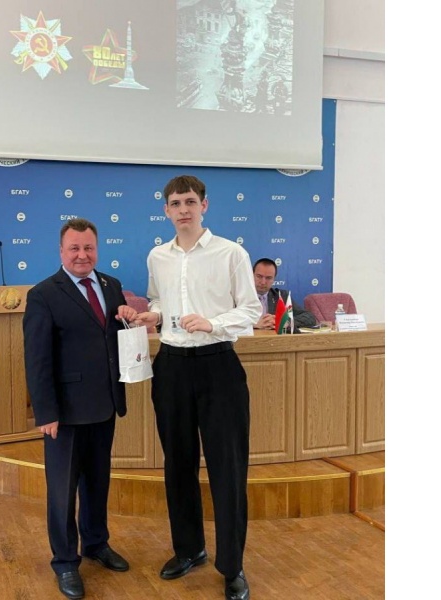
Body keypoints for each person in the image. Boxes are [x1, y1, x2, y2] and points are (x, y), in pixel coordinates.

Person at [131, 175, 260, 600]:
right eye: (175, 203)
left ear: (204, 205)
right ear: (165, 210)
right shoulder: (157, 256)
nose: (183, 209)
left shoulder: (231, 253)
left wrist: (213, 323)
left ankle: (232, 566)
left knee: (228, 468)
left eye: (189, 201)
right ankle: (189, 549)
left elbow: (251, 309)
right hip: (171, 366)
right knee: (178, 464)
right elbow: (158, 299)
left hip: (218, 365)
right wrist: (154, 314)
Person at [22, 217, 138, 600]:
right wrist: (46, 412)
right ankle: (65, 561)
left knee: (97, 482)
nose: (82, 255)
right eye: (74, 248)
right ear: (61, 251)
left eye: (88, 248)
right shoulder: (43, 294)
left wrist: (130, 320)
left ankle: (96, 543)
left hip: (105, 405)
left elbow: (113, 337)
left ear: (97, 249)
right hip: (66, 413)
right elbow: (37, 359)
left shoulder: (112, 285)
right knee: (62, 492)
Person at [252, 257, 318, 332]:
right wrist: (252, 324)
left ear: (274, 279)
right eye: (259, 276)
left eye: (268, 278)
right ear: (252, 275)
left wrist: (283, 322)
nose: (263, 282)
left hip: (273, 338)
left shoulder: (281, 296)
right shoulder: (241, 296)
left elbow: (310, 318)